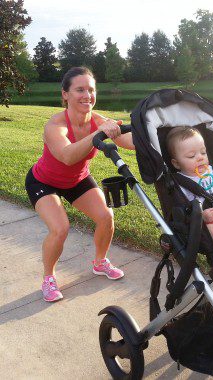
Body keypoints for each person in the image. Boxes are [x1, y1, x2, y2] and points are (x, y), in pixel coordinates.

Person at [25, 66, 134, 302]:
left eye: (91, 90)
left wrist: (155, 133)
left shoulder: (99, 121)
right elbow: (67, 156)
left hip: (77, 179)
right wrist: (98, 134)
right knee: (60, 227)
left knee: (106, 217)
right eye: (80, 89)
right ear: (65, 94)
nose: (87, 95)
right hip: (44, 182)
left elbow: (129, 141)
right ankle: (48, 279)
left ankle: (100, 262)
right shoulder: (55, 125)